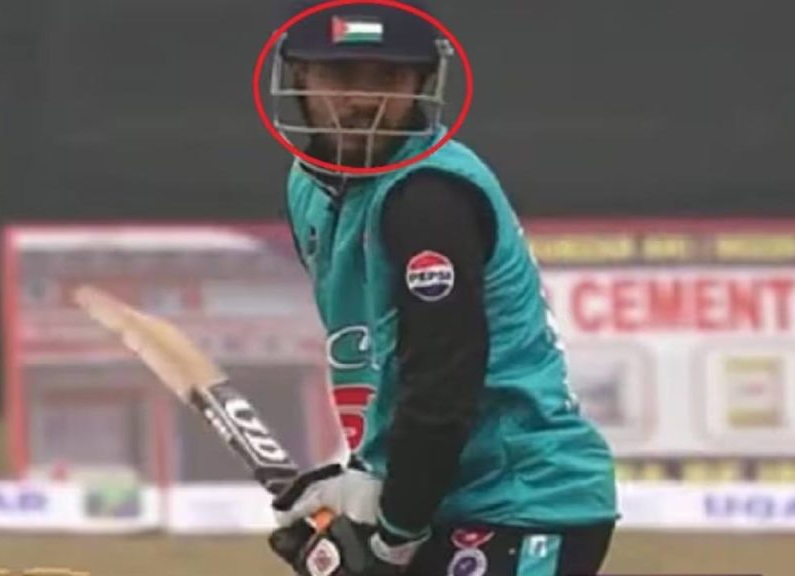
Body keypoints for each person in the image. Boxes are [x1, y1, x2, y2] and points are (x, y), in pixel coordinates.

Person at [264, 2, 619, 575]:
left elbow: (443, 378)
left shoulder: (427, 197)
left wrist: (395, 531)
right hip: (443, 494)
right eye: (340, 77)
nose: (361, 101)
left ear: (422, 85)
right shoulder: (306, 187)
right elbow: (384, 361)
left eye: (387, 79)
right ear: (300, 76)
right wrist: (361, 476)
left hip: (523, 500)